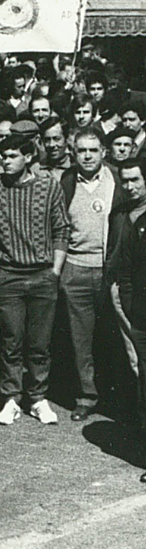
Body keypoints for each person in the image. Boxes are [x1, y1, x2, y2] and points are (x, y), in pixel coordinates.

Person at [0, 126, 70, 425]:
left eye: (13, 156)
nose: (6, 161)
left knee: (39, 345)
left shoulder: (49, 186)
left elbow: (62, 229)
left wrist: (55, 270)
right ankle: (12, 398)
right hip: (8, 277)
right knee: (11, 343)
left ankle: (38, 398)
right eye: (3, 156)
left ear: (29, 157)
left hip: (42, 276)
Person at [58, 128, 123, 421]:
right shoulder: (67, 181)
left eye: (93, 150)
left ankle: (116, 397)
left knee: (112, 337)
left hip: (110, 270)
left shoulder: (116, 180)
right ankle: (86, 396)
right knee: (80, 338)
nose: (87, 156)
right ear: (74, 153)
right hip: (76, 268)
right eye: (81, 150)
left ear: (103, 152)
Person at [109, 157, 146, 483]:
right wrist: (133, 308)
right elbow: (126, 269)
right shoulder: (129, 219)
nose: (130, 186)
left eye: (136, 180)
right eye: (126, 181)